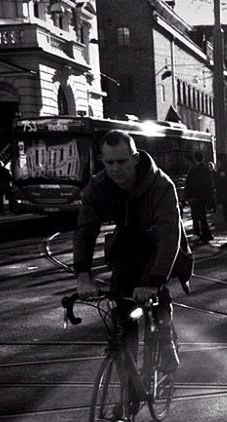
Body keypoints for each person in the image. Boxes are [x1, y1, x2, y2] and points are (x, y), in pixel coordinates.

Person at [73, 129, 180, 375]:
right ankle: (127, 390)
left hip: (158, 242)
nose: (115, 168)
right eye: (109, 162)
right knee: (121, 313)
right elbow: (85, 230)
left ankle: (166, 339)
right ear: (102, 161)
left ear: (134, 158)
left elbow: (169, 236)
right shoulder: (98, 186)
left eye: (121, 161)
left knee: (157, 292)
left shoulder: (161, 184)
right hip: (126, 243)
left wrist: (154, 280)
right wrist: (83, 275)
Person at [183, 151, 215, 243]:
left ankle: (204, 234)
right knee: (201, 217)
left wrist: (191, 196)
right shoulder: (204, 169)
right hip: (202, 197)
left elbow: (195, 185)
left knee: (199, 216)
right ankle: (205, 234)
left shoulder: (197, 170)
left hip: (198, 197)